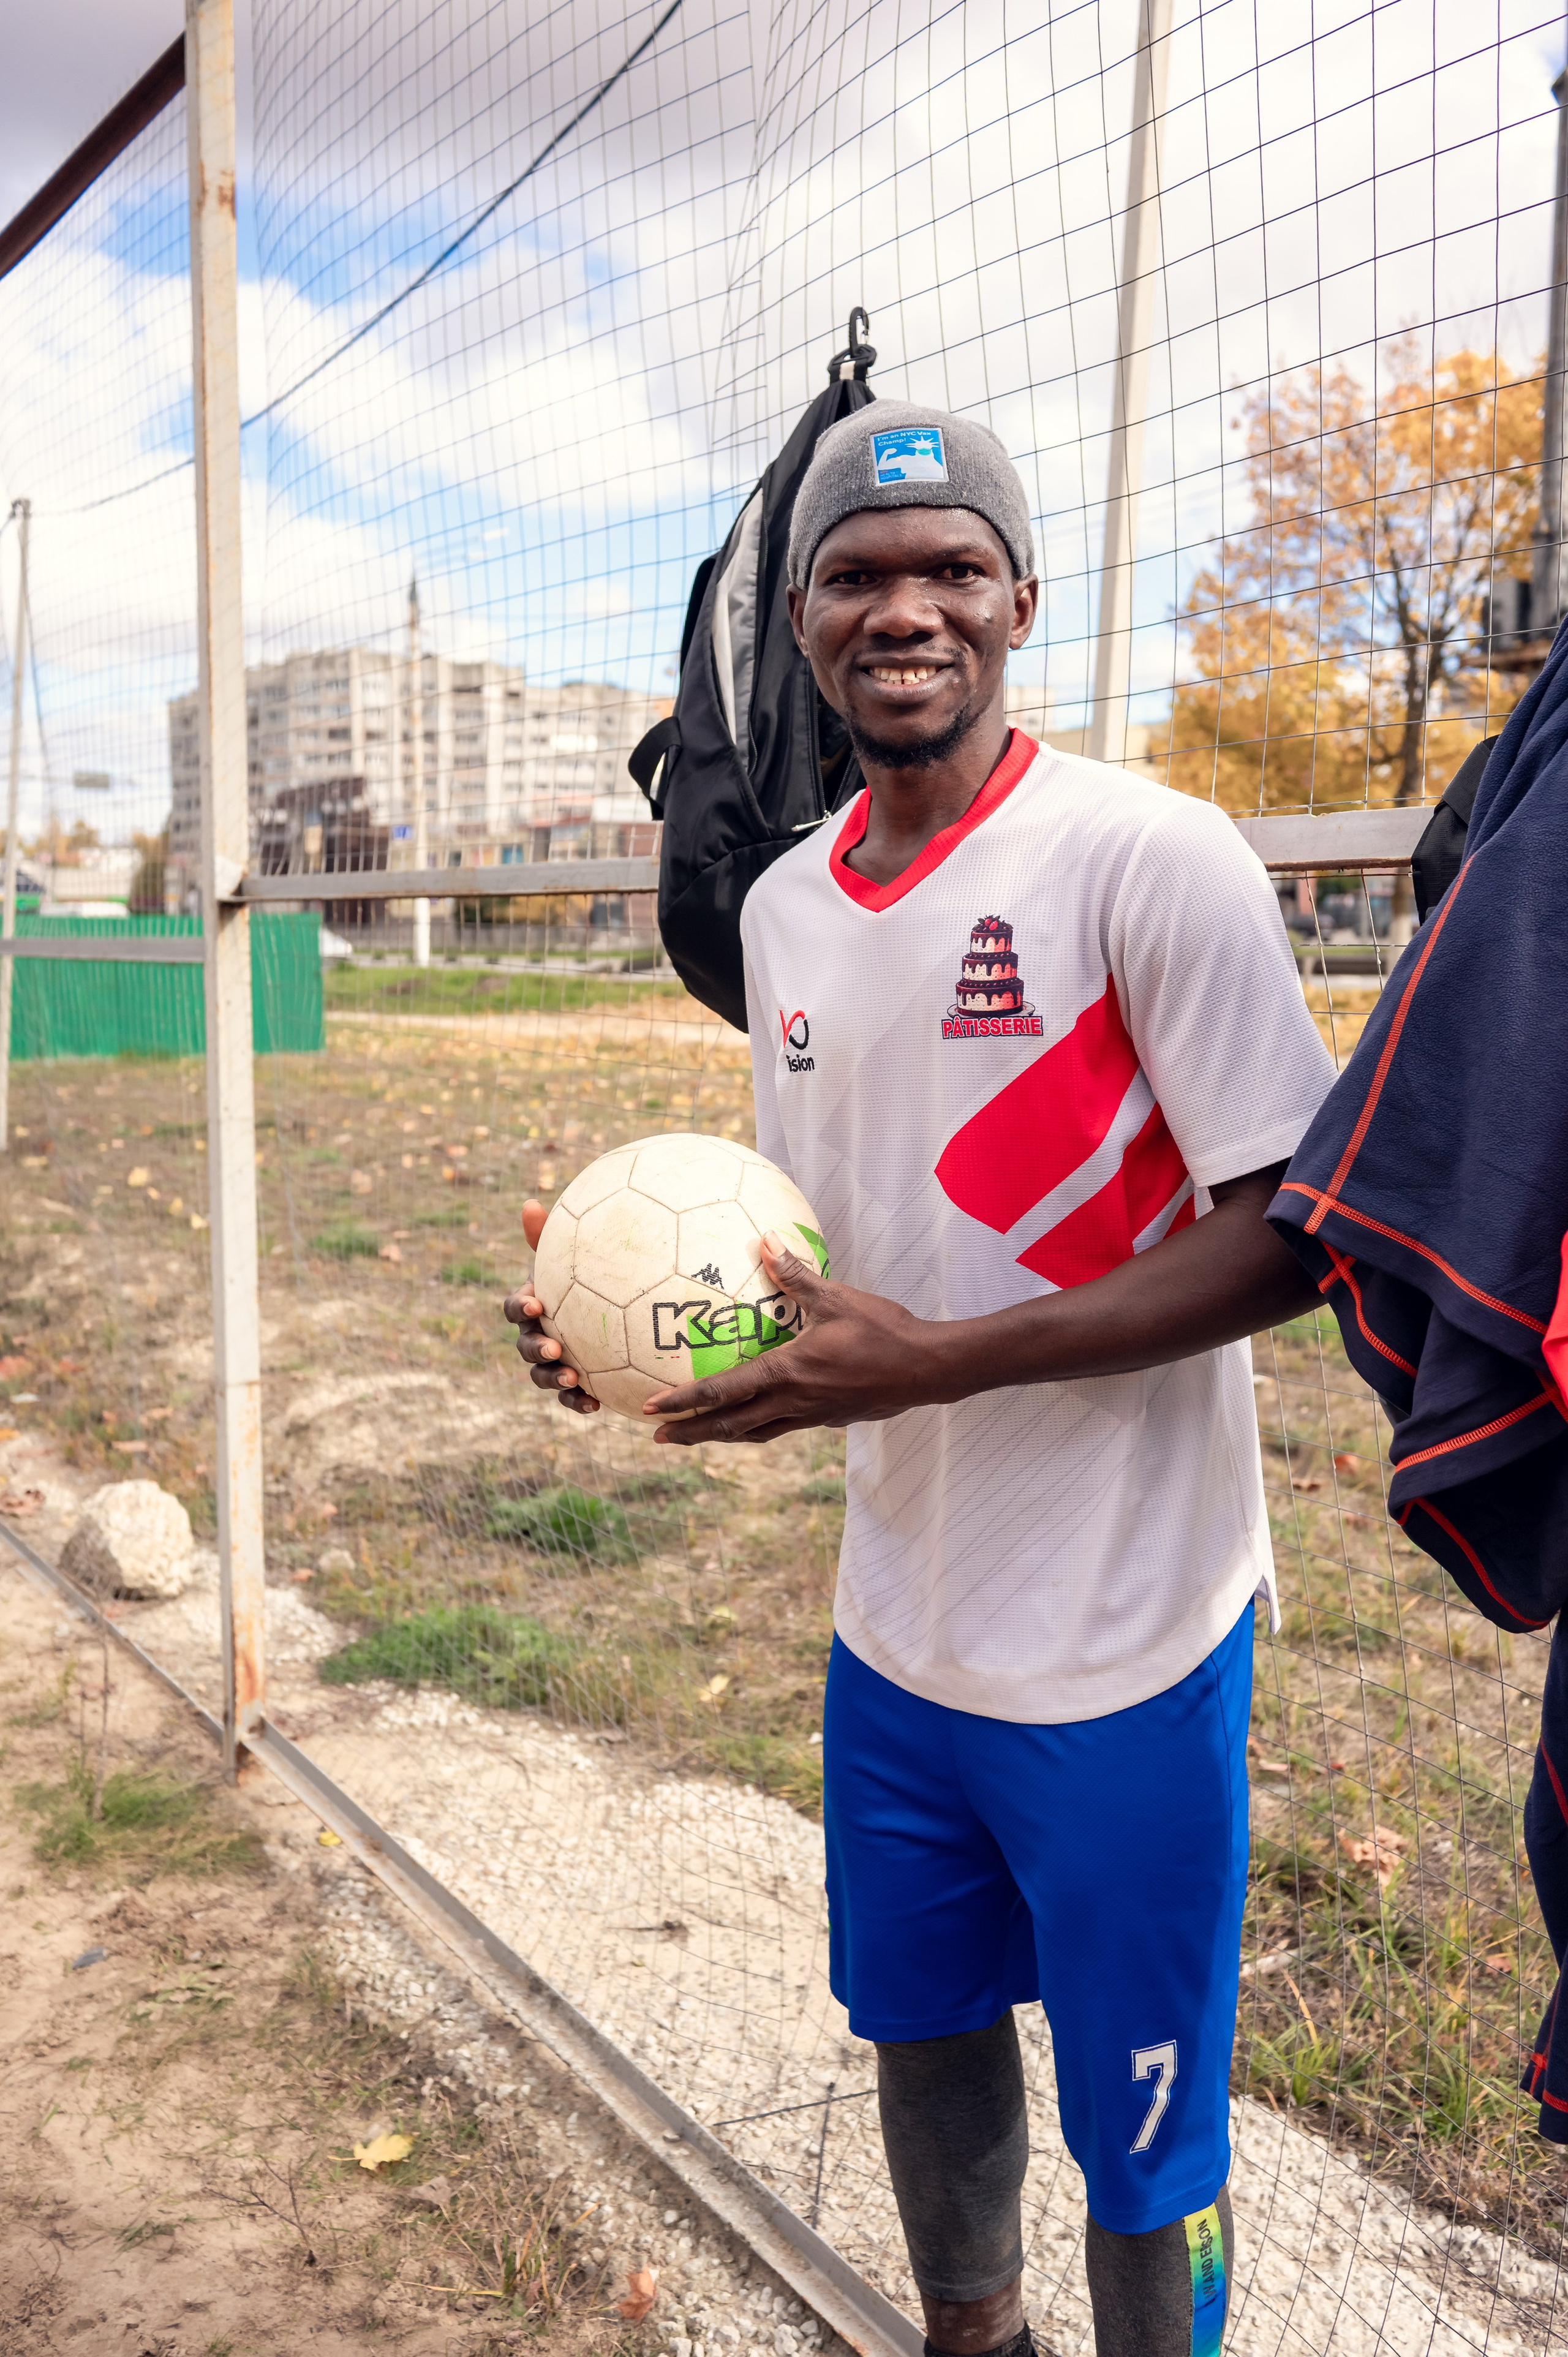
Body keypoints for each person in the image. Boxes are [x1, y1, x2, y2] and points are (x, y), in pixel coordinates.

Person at [507, 400, 1336, 2357]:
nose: (907, 609)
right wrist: (637, 1339)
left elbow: (1296, 1233)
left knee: (1146, 2137)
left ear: (1020, 600)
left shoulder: (1149, 854)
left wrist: (937, 1364)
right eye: (859, 575)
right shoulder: (787, 908)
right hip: (897, 1627)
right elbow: (825, 1258)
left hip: (1125, 1632)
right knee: (925, 2025)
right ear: (802, 622)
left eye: (953, 566)